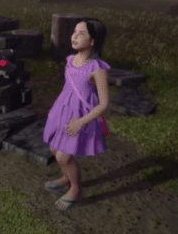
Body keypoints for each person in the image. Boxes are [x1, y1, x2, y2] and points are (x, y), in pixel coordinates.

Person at [42, 17, 110, 212]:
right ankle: (65, 178)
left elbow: (104, 103)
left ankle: (76, 188)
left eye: (82, 34)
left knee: (63, 156)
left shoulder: (97, 68)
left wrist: (81, 122)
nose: (75, 36)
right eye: (74, 32)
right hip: (61, 111)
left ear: (93, 41)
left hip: (80, 117)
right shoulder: (70, 60)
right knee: (55, 150)